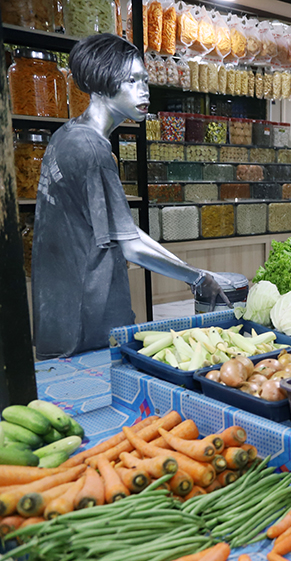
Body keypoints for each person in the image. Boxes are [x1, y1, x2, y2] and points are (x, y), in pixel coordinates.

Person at [32, 33, 228, 360]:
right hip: (88, 323)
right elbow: (132, 248)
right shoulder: (92, 150)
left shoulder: (66, 135)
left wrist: (192, 271)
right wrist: (197, 278)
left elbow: (125, 231)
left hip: (61, 316)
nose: (144, 89)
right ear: (99, 83)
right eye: (130, 80)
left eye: (145, 80)